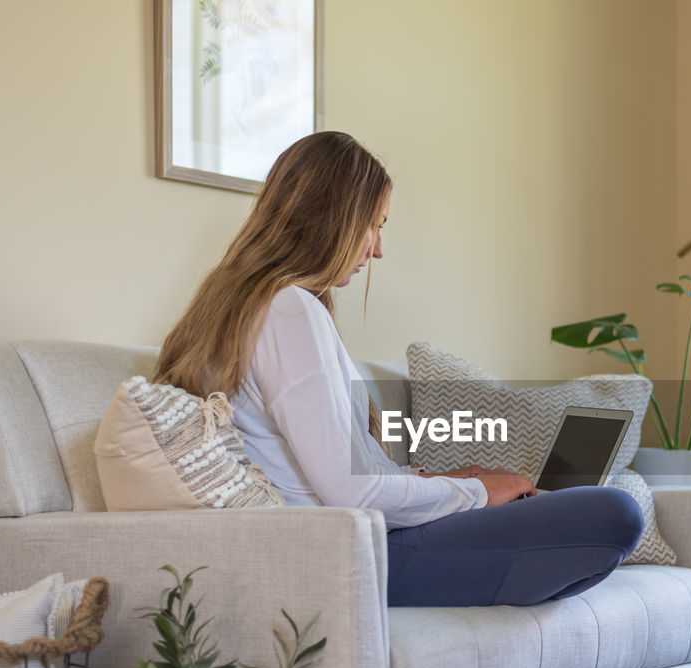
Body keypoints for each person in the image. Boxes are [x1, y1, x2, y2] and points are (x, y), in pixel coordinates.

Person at [155, 131, 643, 607]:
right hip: (359, 554)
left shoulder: (241, 308)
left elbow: (330, 471)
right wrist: (474, 490)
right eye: (376, 225)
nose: (378, 249)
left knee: (571, 512)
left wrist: (438, 484)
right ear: (334, 219)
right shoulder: (291, 309)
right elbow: (350, 490)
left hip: (359, 539)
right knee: (618, 511)